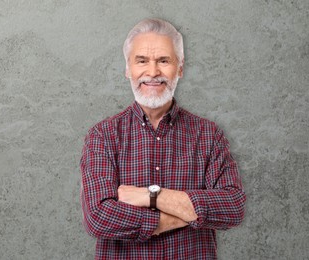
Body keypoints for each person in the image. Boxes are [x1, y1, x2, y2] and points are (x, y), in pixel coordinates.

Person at [80, 18, 246, 259]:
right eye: (142, 61)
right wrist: (182, 214)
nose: (153, 72)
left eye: (163, 61)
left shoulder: (209, 135)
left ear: (180, 67)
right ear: (128, 69)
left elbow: (232, 207)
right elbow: (99, 218)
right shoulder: (103, 136)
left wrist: (150, 196)